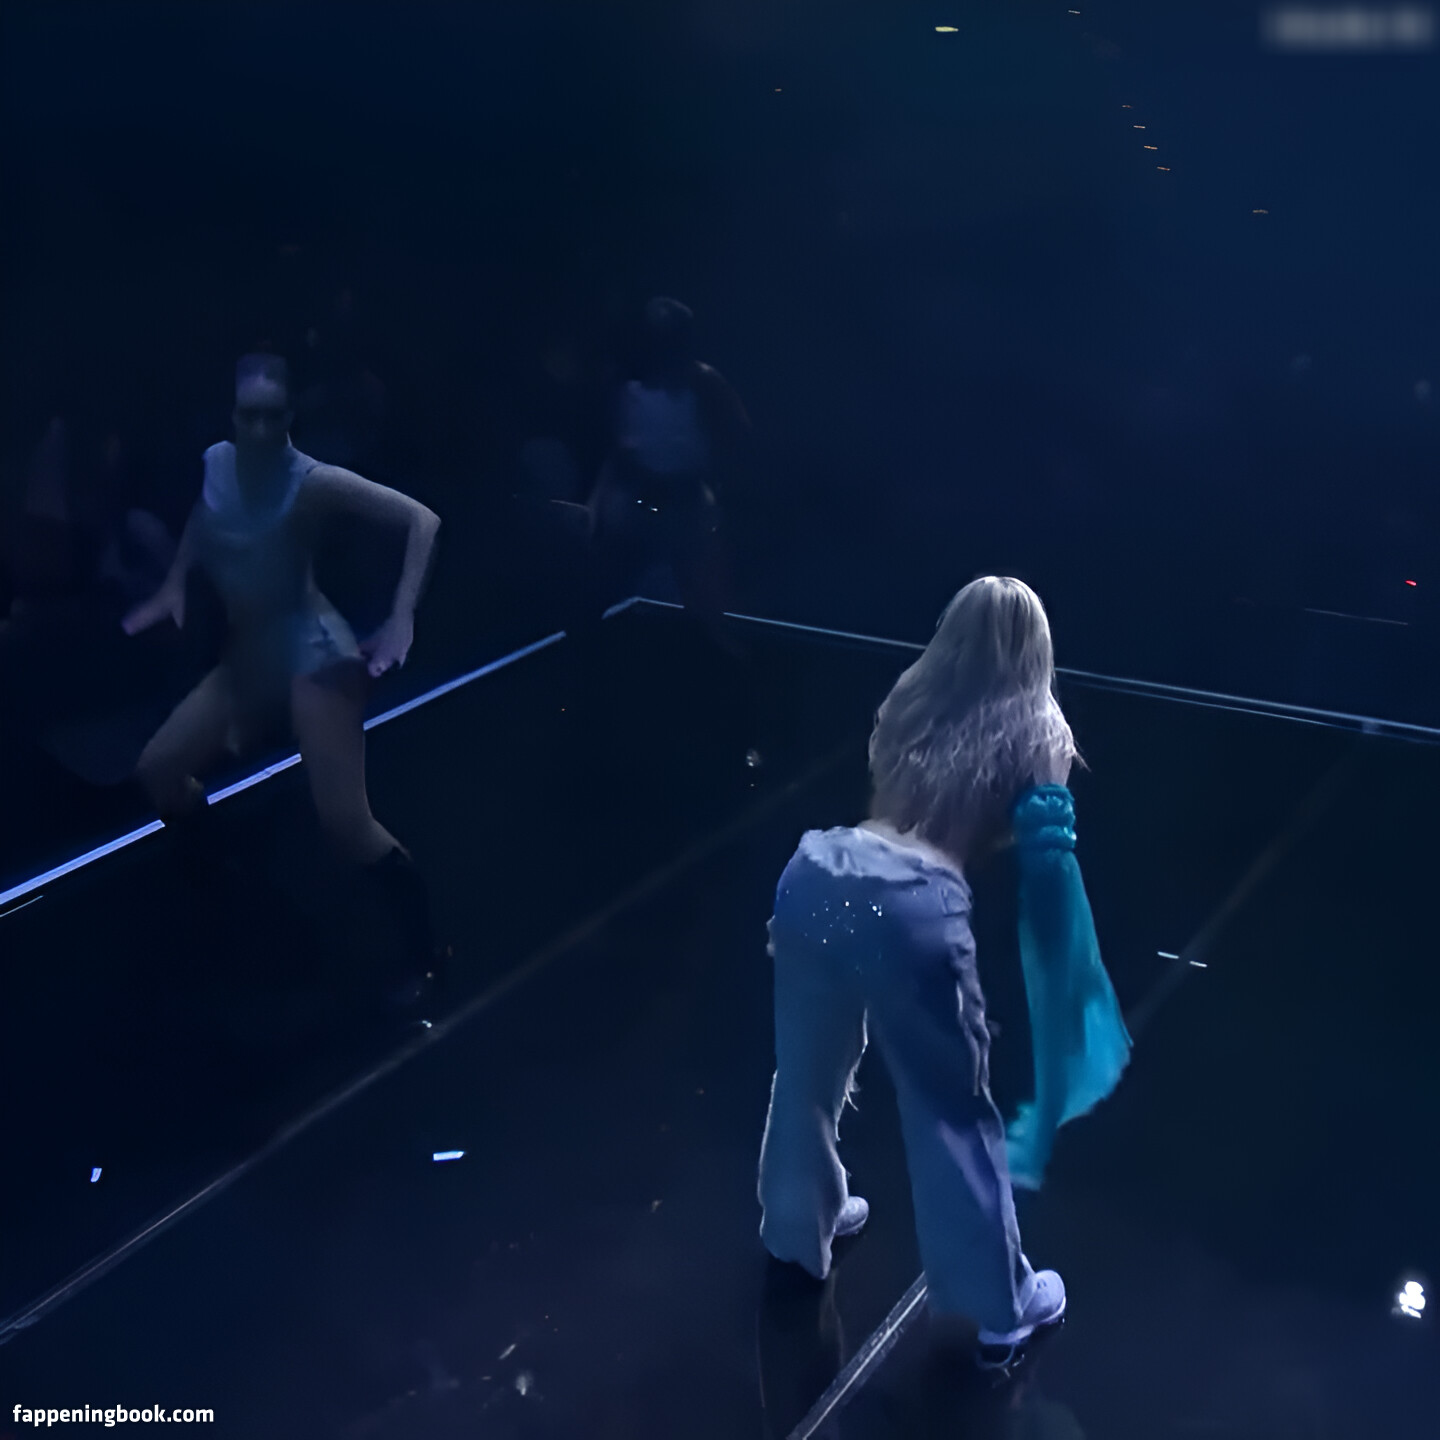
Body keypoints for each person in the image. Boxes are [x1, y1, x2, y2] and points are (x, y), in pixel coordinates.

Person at [757, 577, 1131, 1369]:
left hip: (820, 869)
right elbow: (1046, 861)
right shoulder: (1040, 728)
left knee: (806, 1074)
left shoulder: (911, 696)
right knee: (951, 1113)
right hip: (912, 900)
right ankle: (1002, 1306)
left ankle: (796, 1230)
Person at [122, 353, 441, 983]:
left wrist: (401, 618)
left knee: (346, 824)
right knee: (159, 770)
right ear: (234, 417)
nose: (262, 429)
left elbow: (422, 520)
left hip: (315, 655)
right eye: (251, 416)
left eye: (273, 416)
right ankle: (228, 893)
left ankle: (428, 954)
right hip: (251, 656)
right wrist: (175, 580)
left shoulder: (311, 481)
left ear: (289, 416)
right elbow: (206, 513)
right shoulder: (218, 461)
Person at [582, 296, 750, 646]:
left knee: (705, 606)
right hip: (635, 505)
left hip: (689, 507)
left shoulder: (704, 382)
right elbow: (617, 452)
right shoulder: (625, 385)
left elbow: (737, 435)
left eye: (670, 338)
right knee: (619, 597)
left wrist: (717, 487)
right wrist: (598, 506)